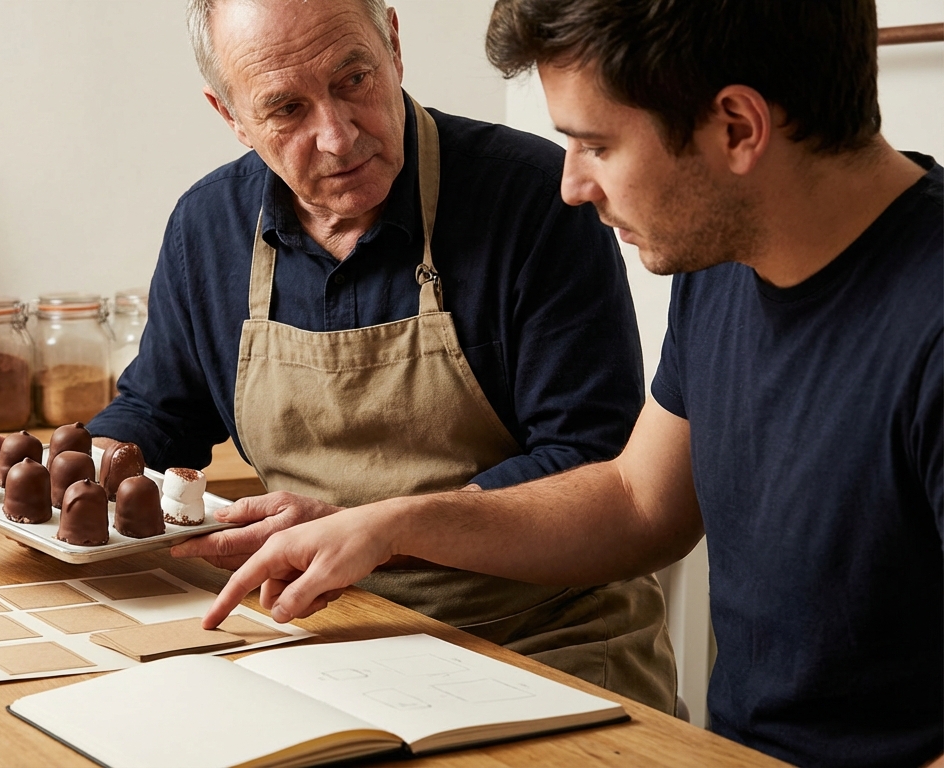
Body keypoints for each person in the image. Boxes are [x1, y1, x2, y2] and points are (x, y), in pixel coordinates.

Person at [201, 1, 943, 765]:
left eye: (595, 144)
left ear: (737, 129)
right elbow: (635, 503)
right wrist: (390, 528)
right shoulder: (729, 262)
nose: (572, 186)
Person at [86, 0, 679, 711]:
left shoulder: (534, 196)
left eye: (353, 79)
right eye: (285, 109)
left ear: (393, 45)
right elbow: (160, 413)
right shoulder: (206, 227)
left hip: (542, 640)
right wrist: (75, 467)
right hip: (318, 644)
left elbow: (595, 467)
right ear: (231, 116)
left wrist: (380, 533)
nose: (336, 137)